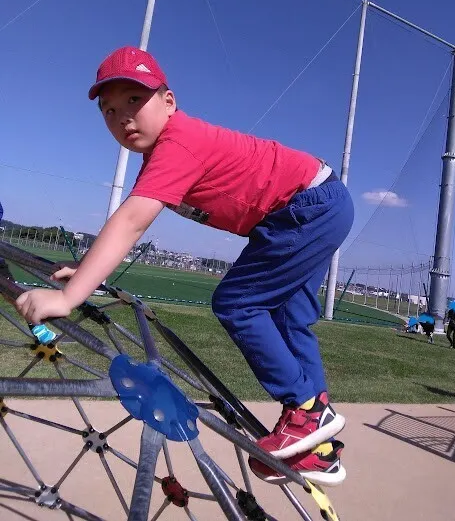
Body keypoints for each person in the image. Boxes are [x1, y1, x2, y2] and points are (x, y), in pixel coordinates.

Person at [15, 46, 354, 486]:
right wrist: (84, 268)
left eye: (135, 100)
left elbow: (132, 221)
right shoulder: (164, 157)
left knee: (238, 302)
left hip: (304, 207)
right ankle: (319, 447)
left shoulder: (178, 143)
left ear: (169, 102)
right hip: (315, 204)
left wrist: (70, 294)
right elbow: (129, 220)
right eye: (109, 109)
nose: (123, 117)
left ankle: (308, 412)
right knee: (289, 319)